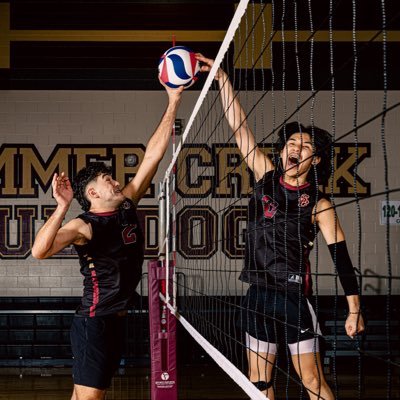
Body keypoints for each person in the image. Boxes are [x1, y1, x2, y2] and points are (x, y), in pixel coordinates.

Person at [196, 54, 365, 400]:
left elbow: (342, 259)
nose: (295, 147)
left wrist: (354, 309)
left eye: (305, 146)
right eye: (291, 142)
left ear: (315, 160)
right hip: (257, 295)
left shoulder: (320, 204)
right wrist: (223, 79)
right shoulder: (264, 177)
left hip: (293, 299)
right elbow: (239, 129)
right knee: (259, 384)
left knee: (313, 383)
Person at [31, 79, 184, 400]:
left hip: (114, 321)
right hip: (94, 324)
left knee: (83, 396)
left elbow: (152, 158)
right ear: (93, 193)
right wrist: (61, 206)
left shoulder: (127, 204)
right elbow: (39, 251)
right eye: (107, 179)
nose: (116, 181)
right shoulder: (83, 225)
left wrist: (173, 100)